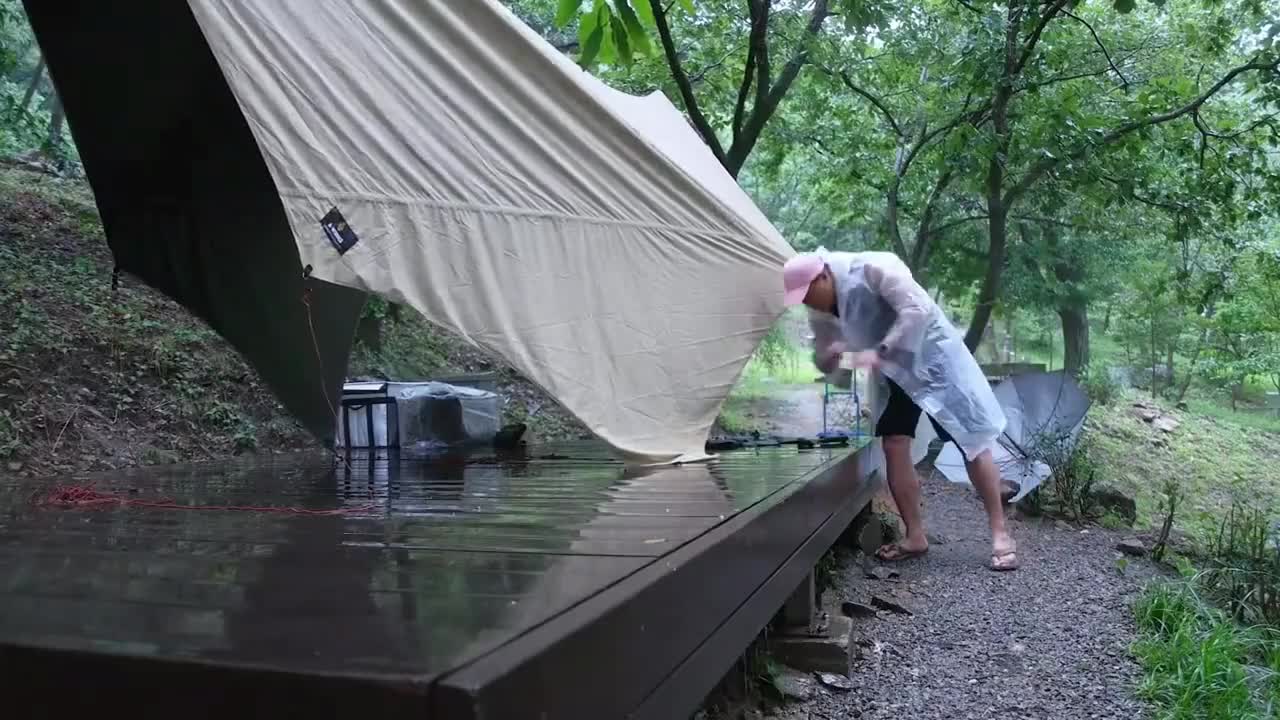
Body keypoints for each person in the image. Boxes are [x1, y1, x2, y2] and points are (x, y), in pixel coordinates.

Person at [782, 248, 1018, 571]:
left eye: (808, 294)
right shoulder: (820, 310)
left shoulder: (873, 268)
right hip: (895, 375)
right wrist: (832, 357)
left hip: (933, 361)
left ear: (823, 275)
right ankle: (915, 535)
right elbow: (827, 361)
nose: (808, 303)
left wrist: (879, 350)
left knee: (972, 442)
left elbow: (916, 310)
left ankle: (1000, 533)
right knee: (894, 442)